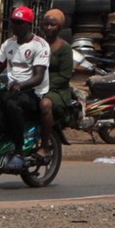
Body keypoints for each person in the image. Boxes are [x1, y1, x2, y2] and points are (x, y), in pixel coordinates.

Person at [0, 5, 51, 173]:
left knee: (10, 104)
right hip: (13, 90)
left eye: (20, 22)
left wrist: (21, 85)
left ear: (28, 25)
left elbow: (39, 76)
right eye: (14, 22)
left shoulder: (40, 45)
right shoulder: (8, 44)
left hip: (33, 92)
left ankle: (18, 150)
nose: (15, 26)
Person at [37, 7, 75, 137]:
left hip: (57, 90)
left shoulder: (65, 48)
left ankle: (45, 143)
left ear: (59, 27)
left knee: (45, 104)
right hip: (37, 84)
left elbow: (65, 76)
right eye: (46, 24)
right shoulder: (38, 44)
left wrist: (45, 87)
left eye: (52, 25)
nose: (48, 27)